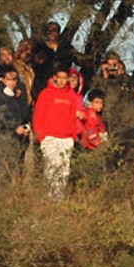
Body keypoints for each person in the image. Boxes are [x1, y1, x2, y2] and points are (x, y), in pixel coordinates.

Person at [32, 66, 83, 198]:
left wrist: (72, 136)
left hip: (66, 139)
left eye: (64, 78)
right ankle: (49, 200)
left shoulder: (70, 96)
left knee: (64, 171)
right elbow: (38, 116)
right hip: (50, 138)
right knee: (51, 169)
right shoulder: (46, 94)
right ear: (54, 78)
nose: (61, 81)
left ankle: (59, 200)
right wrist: (41, 137)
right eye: (59, 78)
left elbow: (73, 117)